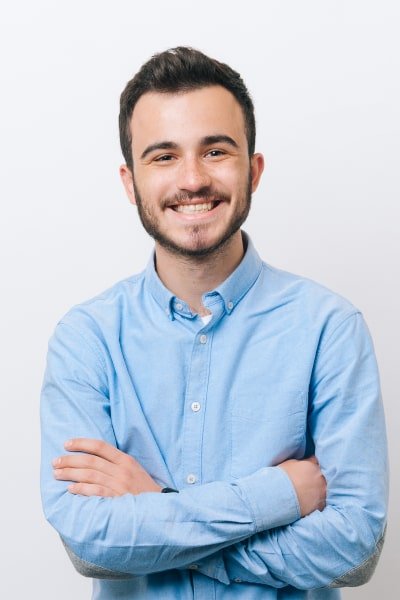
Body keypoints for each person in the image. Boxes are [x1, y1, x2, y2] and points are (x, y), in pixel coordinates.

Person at [40, 47, 388, 599]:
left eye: (216, 151)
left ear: (253, 169)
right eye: (164, 156)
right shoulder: (87, 339)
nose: (193, 179)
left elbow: (354, 552)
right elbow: (89, 546)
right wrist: (279, 495)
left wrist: (155, 510)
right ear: (130, 183)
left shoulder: (330, 328)